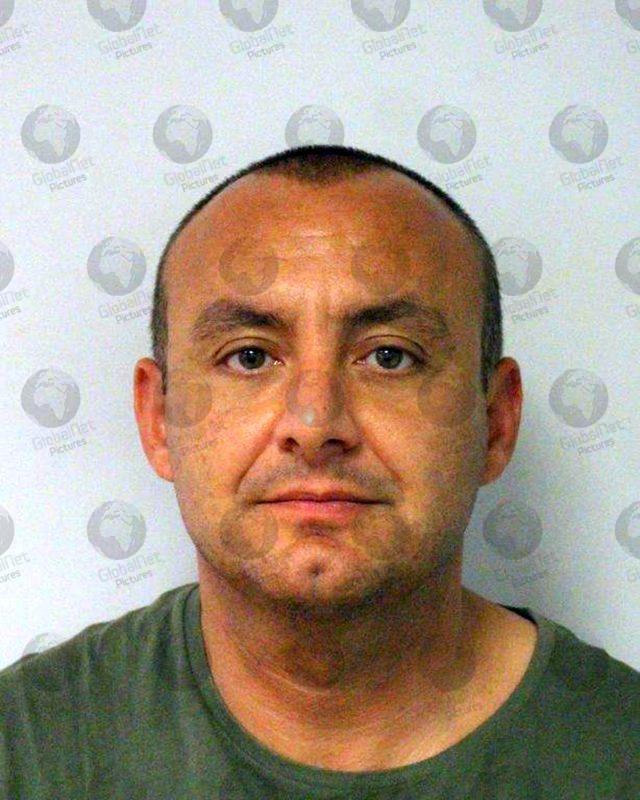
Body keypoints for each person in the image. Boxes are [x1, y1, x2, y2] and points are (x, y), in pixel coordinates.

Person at [1, 145, 638, 799]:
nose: (314, 424)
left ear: (496, 423)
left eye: (389, 357)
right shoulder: (25, 746)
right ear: (159, 419)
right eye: (249, 357)